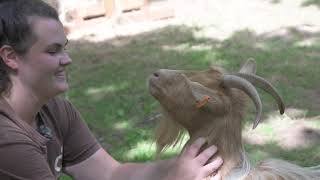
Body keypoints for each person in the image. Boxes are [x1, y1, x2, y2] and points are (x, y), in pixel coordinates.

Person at [0, 0, 223, 180]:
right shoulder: (7, 141)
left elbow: (110, 173)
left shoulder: (56, 112)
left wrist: (181, 166)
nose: (67, 60)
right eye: (53, 51)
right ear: (11, 57)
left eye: (64, 49)